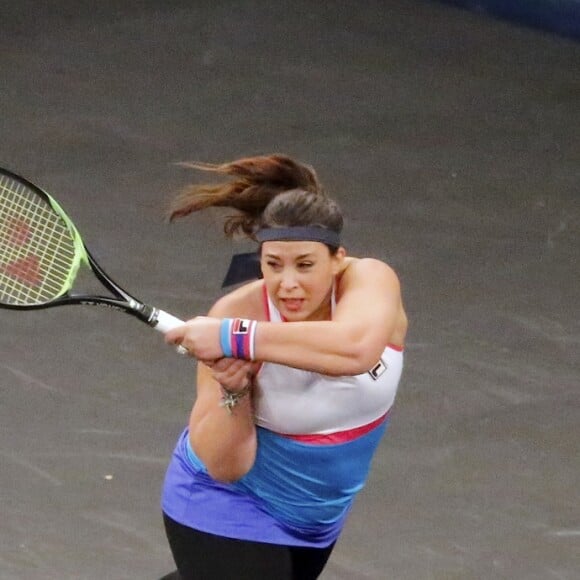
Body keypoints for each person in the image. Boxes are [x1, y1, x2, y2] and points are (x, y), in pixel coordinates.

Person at [160, 154, 407, 580]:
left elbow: (356, 350)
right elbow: (225, 466)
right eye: (273, 265)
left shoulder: (370, 281)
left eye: (305, 265)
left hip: (316, 521)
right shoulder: (237, 310)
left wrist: (232, 337)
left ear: (338, 260)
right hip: (226, 506)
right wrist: (233, 390)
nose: (287, 284)